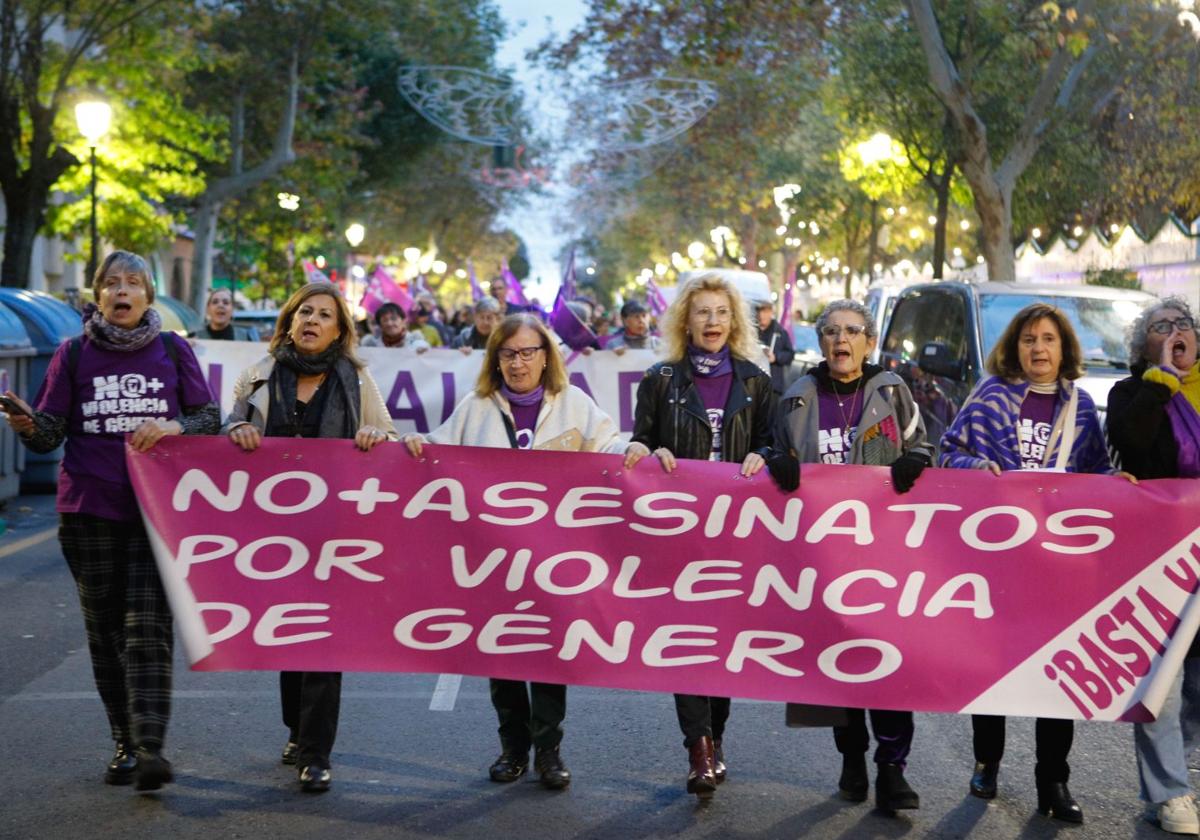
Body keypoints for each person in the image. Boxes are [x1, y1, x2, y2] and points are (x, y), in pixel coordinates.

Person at [2, 250, 219, 791]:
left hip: (156, 512)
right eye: (111, 284)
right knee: (105, 633)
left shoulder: (173, 349)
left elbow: (207, 417)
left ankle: (150, 747)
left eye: (133, 283)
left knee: (147, 628)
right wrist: (26, 424)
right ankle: (123, 740)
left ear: (148, 296)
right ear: (97, 296)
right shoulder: (72, 355)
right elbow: (51, 432)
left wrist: (172, 426)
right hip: (88, 511)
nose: (122, 292)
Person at [401, 313, 626, 790]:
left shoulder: (574, 405)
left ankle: (549, 752)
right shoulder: (477, 406)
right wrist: (414, 444)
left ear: (546, 357)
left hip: (553, 558)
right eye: (508, 354)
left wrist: (638, 451)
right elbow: (438, 449)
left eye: (528, 352)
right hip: (493, 559)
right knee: (500, 655)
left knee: (548, 655)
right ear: (495, 359)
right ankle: (513, 749)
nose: (518, 362)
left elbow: (610, 446)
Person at [940, 301, 1134, 824]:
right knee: (992, 664)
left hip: (1057, 566)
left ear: (1064, 348)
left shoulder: (1081, 408)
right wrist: (979, 467)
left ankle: (1054, 779)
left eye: (1048, 339)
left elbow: (1095, 472)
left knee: (1056, 674)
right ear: (1015, 347)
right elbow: (947, 452)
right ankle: (987, 760)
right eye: (1029, 339)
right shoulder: (987, 397)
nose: (1039, 348)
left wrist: (1117, 487)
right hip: (996, 558)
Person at [223, 282, 398, 793]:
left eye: (324, 314)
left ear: (340, 330)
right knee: (287, 633)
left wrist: (374, 437)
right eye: (305, 311)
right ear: (290, 320)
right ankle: (296, 731)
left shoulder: (358, 382)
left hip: (335, 533)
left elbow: (386, 433)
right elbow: (228, 428)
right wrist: (236, 432)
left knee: (323, 637)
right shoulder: (259, 376)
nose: (312, 320)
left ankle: (317, 752)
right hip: (272, 534)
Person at [772, 298, 932, 813]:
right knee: (835, 664)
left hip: (884, 554)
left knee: (886, 660)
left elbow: (925, 448)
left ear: (868, 342)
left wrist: (913, 462)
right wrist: (779, 462)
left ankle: (892, 768)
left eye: (852, 331)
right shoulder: (797, 398)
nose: (841, 341)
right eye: (832, 332)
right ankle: (852, 759)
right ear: (820, 342)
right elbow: (777, 454)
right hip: (821, 557)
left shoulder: (891, 391)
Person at [622, 272, 777, 799]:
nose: (712, 322)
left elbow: (775, 448)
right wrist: (650, 453)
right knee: (688, 641)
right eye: (703, 312)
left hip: (737, 534)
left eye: (722, 312)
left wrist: (768, 456)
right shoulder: (662, 379)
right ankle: (699, 746)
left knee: (724, 641)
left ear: (734, 321)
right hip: (679, 533)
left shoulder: (756, 381)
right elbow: (638, 443)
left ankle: (718, 736)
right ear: (685, 320)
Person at [1107, 296, 1200, 835]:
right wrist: (1161, 379)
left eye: (1181, 323)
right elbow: (1130, 443)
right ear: (1143, 346)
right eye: (1160, 327)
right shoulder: (1131, 393)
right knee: (1161, 683)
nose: (1173, 331)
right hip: (1158, 557)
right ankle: (1171, 791)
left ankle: (1171, 771)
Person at [756, 300, 795, 395]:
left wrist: (776, 357)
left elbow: (790, 354)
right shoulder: (752, 331)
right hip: (754, 384)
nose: (761, 315)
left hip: (773, 385)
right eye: (759, 311)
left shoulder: (780, 332)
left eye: (764, 311)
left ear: (771, 312)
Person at [360, 302, 430, 351]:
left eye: (394, 319)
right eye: (385, 320)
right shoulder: (371, 347)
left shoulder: (417, 344)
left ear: (403, 321)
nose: (389, 323)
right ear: (380, 325)